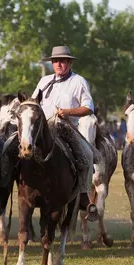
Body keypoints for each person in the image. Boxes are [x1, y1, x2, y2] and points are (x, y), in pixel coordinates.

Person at [31, 45, 98, 220]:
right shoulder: (44, 82)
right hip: (41, 129)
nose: (59, 64)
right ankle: (6, 186)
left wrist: (67, 112)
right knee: (12, 147)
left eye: (62, 61)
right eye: (55, 61)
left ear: (69, 62)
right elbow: (33, 103)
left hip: (66, 127)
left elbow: (88, 108)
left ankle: (83, 195)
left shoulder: (79, 81)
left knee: (88, 156)